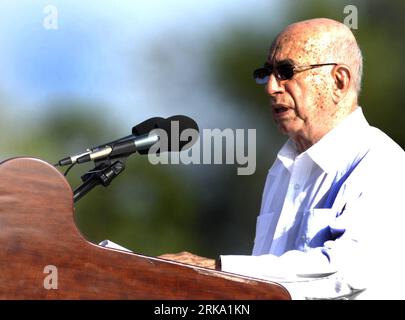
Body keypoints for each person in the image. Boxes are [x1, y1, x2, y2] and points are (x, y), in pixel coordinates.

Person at [159, 18, 405, 299]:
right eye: (268, 72)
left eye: (286, 71)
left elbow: (349, 271)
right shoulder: (282, 170)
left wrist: (217, 270)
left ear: (339, 81)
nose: (271, 87)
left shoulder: (383, 162)